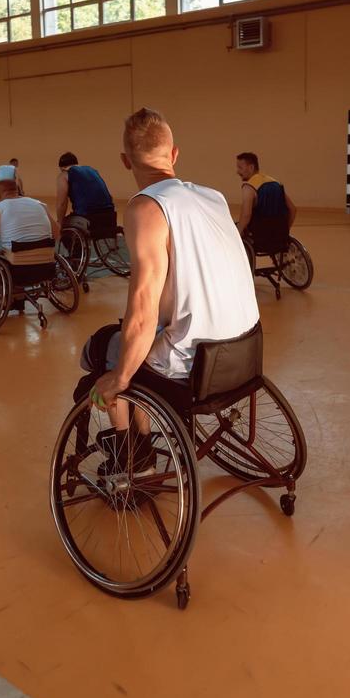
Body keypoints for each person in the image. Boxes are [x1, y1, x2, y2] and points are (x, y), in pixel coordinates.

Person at [79, 109, 259, 470]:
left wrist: (120, 377)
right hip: (247, 346)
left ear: (125, 161)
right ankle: (143, 433)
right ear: (174, 154)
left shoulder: (145, 209)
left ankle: (133, 452)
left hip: (195, 360)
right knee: (143, 341)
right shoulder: (215, 197)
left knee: (103, 349)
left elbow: (144, 305)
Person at [0, 174, 59, 293]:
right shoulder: (40, 205)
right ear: (18, 191)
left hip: (17, 272)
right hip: (47, 268)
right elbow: (57, 232)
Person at [234, 151, 297, 238]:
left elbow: (246, 215)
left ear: (251, 167)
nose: (237, 171)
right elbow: (293, 209)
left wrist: (237, 233)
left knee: (236, 227)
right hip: (280, 235)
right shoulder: (276, 183)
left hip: (260, 236)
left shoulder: (249, 187)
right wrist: (285, 229)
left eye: (240, 168)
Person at [55, 151, 115, 231]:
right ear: (76, 164)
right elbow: (109, 196)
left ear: (62, 168)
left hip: (88, 217)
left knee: (63, 225)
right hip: (110, 215)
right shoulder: (92, 171)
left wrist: (59, 223)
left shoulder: (64, 174)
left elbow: (62, 203)